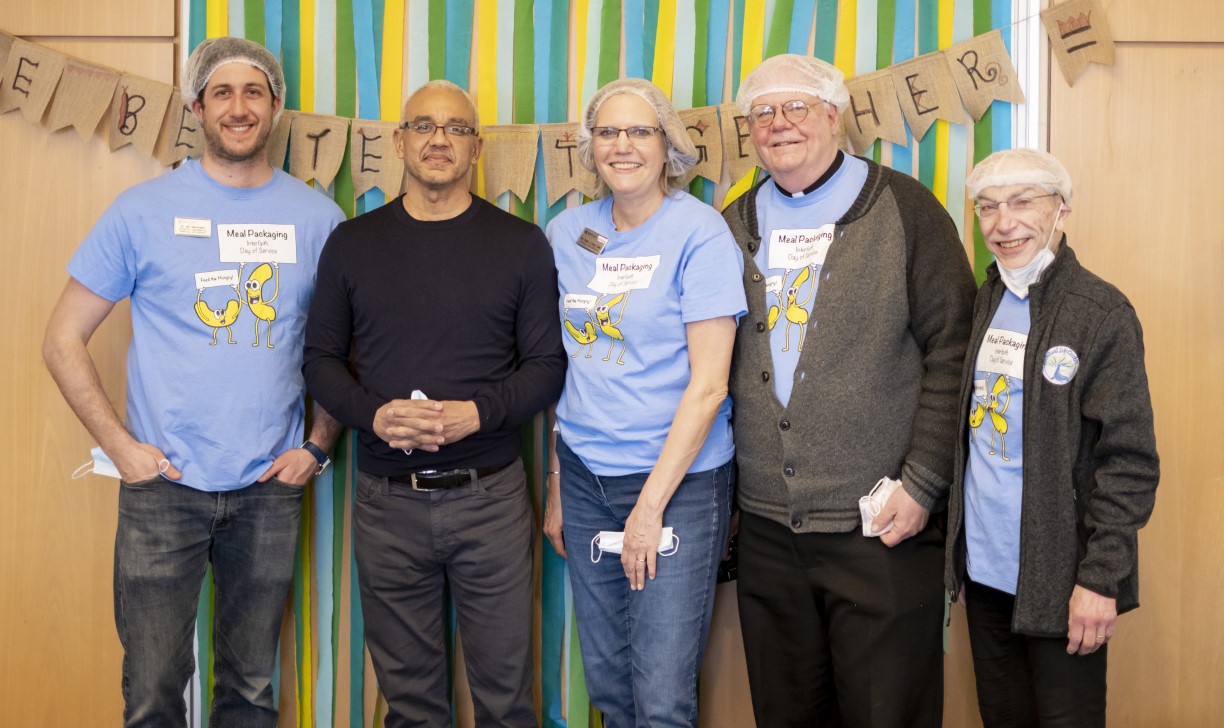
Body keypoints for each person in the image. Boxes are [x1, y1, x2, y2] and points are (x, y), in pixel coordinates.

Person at [42, 37, 344, 727]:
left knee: (250, 691)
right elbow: (61, 340)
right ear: (197, 107)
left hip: (269, 490)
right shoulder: (140, 211)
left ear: (275, 107)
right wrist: (122, 448)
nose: (239, 109)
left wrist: (319, 444)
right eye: (223, 94)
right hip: (162, 490)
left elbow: (340, 349)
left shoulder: (319, 220)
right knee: (151, 692)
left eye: (254, 93)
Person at [722, 53, 977, 727]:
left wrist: (922, 484)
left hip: (883, 531)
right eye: (763, 114)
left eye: (796, 107)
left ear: (833, 117)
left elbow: (955, 349)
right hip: (770, 534)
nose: (779, 125)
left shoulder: (905, 208)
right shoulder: (733, 222)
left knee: (886, 714)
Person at [301, 79, 566, 728]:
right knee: (412, 705)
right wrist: (373, 415)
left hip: (491, 499)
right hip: (386, 500)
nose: (439, 139)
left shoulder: (522, 243)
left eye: (455, 128)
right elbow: (319, 363)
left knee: (506, 700)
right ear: (398, 142)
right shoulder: (352, 244)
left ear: (477, 148)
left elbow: (547, 368)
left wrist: (476, 414)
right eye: (423, 126)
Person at [541, 78, 747, 728]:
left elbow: (710, 385)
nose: (622, 145)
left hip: (677, 482)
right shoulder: (569, 233)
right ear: (589, 146)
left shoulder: (699, 232)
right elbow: (562, 367)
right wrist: (555, 485)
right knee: (607, 681)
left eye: (640, 131)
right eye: (608, 132)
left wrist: (649, 508)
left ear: (667, 146)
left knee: (660, 696)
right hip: (582, 475)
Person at [946, 148, 1159, 727]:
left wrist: (1100, 579)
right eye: (987, 207)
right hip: (987, 576)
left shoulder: (1099, 311)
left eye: (1022, 203)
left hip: (1062, 577)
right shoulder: (984, 301)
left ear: (1061, 210)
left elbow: (1129, 461)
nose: (1002, 223)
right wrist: (959, 558)